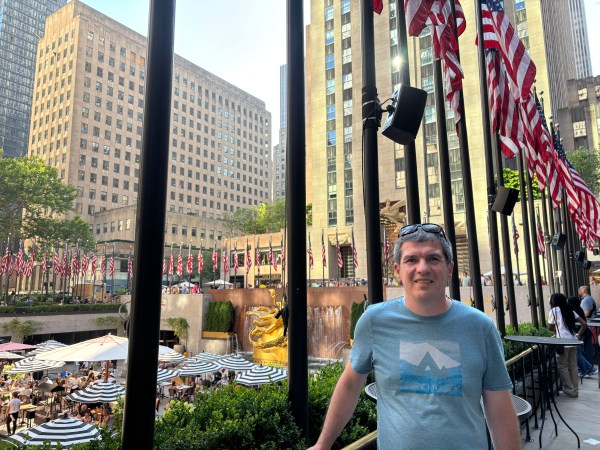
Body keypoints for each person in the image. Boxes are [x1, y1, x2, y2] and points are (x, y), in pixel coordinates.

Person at [308, 224, 520, 450]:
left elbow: (500, 411)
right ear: (398, 271)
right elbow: (350, 385)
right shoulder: (374, 321)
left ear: (449, 269)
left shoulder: (480, 327)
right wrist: (323, 444)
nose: (423, 268)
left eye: (433, 259)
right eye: (411, 260)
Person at [548, 293, 588, 398]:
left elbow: (550, 327)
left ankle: (569, 390)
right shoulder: (570, 309)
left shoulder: (553, 311)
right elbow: (584, 324)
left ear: (554, 301)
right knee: (573, 366)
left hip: (562, 342)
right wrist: (578, 335)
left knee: (563, 367)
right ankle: (575, 390)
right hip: (573, 341)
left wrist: (557, 329)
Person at [567, 296, 598, 377]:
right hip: (584, 333)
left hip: (581, 334)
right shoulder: (579, 309)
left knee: (578, 353)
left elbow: (582, 323)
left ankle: (589, 370)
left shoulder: (574, 311)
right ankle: (588, 370)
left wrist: (578, 334)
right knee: (581, 352)